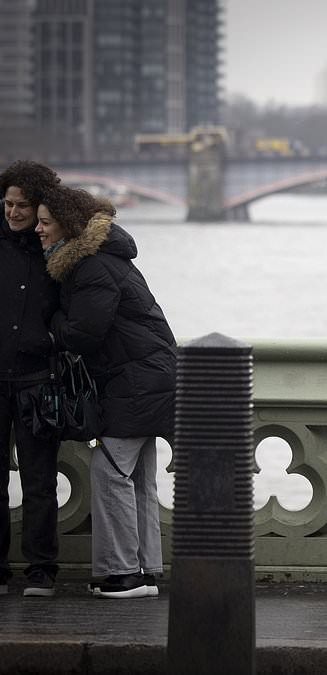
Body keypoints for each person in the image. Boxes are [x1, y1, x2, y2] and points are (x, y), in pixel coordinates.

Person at [36, 185, 177, 599]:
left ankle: (122, 575)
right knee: (139, 479)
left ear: (69, 225)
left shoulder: (92, 266)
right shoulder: (107, 258)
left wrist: (55, 318)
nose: (39, 230)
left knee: (110, 471)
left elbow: (83, 334)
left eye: (46, 223)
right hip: (151, 375)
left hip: (134, 381)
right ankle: (147, 571)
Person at [0, 161, 63, 597]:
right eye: (8, 203)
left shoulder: (55, 250)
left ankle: (42, 569)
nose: (15, 212)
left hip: (38, 379)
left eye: (24, 205)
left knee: (40, 481)